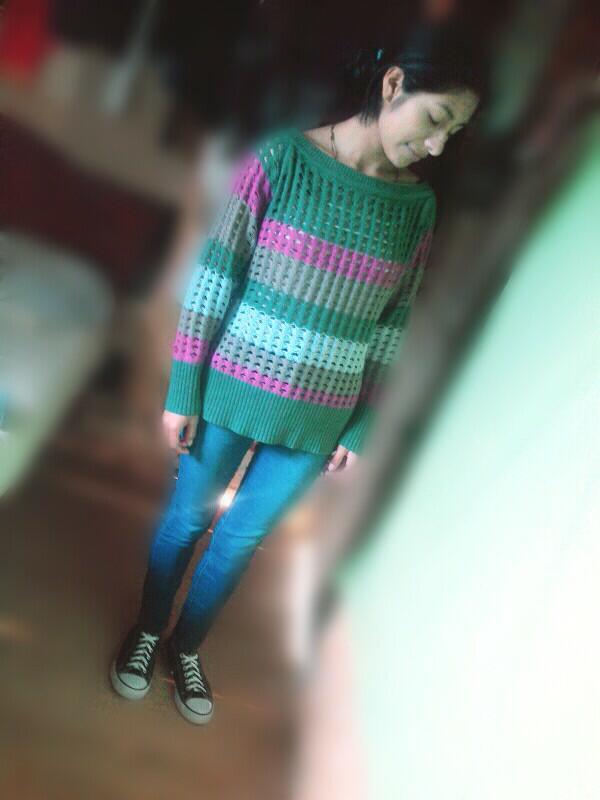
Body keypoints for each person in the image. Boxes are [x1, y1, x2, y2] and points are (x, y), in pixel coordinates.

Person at [109, 22, 483, 725]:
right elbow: (215, 278)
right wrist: (183, 387)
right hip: (229, 392)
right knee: (186, 521)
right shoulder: (282, 160)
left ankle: (187, 647)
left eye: (453, 133)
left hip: (319, 421)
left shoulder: (417, 207)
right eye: (436, 119)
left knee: (240, 542)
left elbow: (392, 323)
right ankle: (148, 631)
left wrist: (360, 425)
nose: (438, 145)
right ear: (394, 84)